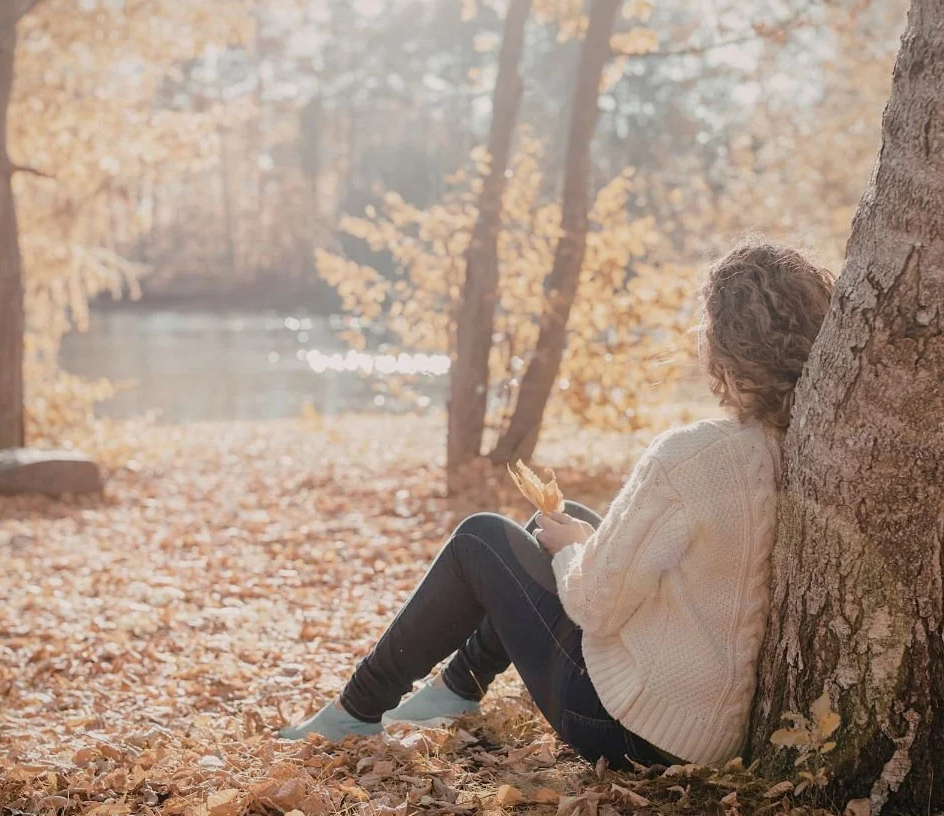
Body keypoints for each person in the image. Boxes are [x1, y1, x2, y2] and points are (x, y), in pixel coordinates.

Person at [277, 241, 835, 767]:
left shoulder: (696, 456)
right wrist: (576, 542)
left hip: (627, 728)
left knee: (482, 539)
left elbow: (594, 606)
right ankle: (455, 690)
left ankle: (355, 710)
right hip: (708, 731)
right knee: (566, 527)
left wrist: (570, 552)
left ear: (721, 345)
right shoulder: (803, 450)